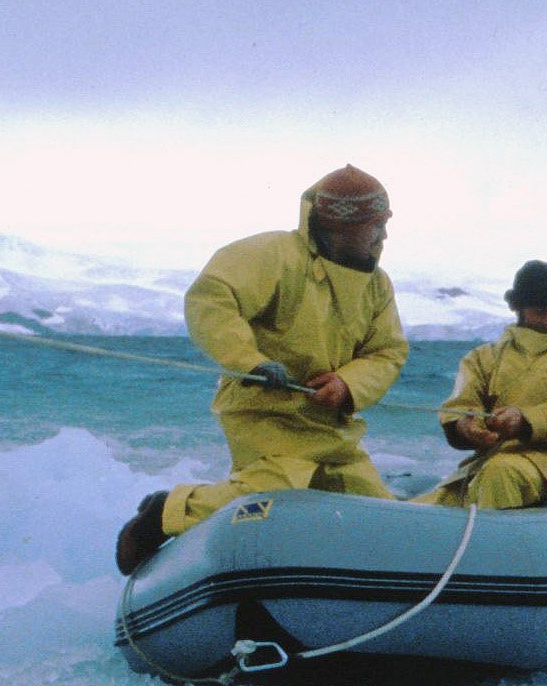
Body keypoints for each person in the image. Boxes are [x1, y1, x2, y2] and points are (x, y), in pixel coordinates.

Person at [115, 164, 409, 574]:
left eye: (384, 224)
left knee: (380, 512)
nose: (383, 236)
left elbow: (387, 351)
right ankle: (163, 512)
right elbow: (211, 298)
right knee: (274, 491)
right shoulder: (274, 255)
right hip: (266, 414)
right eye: (373, 225)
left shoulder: (378, 286)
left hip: (331, 428)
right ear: (337, 227)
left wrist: (348, 384)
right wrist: (250, 361)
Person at [414, 260, 547, 509]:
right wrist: (468, 428)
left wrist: (524, 420)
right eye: (541, 312)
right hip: (496, 461)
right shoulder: (483, 358)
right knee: (422, 508)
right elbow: (462, 407)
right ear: (518, 308)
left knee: (501, 475)